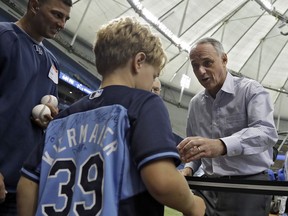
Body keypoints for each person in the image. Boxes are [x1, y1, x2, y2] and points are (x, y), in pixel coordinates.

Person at [16, 17, 205, 216]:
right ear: (139, 61)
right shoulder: (144, 103)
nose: (152, 83)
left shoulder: (64, 117)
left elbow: (27, 183)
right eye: (154, 74)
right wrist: (193, 204)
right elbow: (161, 179)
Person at [177, 37, 278, 216]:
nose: (201, 71)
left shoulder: (251, 91)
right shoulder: (195, 104)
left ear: (224, 59)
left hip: (247, 188)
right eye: (195, 65)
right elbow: (196, 152)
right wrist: (188, 168)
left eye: (207, 63)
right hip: (207, 186)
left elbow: (266, 132)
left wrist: (221, 145)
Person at [0, 0, 71, 214]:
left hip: (22, 186)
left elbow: (46, 110)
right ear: (34, 6)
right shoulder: (4, 37)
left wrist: (49, 119)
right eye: (57, 15)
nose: (62, 24)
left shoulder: (53, 63)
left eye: (66, 19)